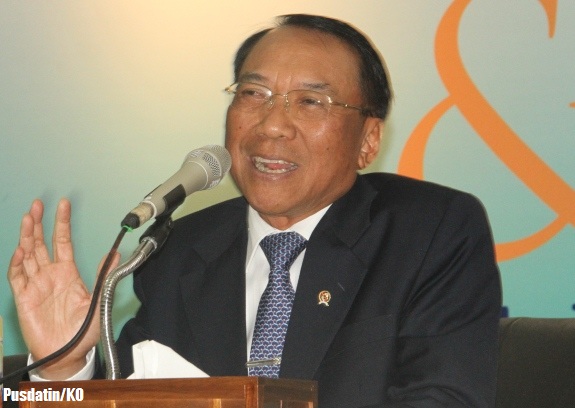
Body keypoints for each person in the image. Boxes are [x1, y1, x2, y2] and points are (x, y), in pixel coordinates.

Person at [7, 14, 501, 407]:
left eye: (310, 101)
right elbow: (136, 396)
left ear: (368, 140)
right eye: (253, 94)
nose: (272, 125)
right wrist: (64, 368)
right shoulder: (178, 250)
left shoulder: (430, 231)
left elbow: (443, 397)